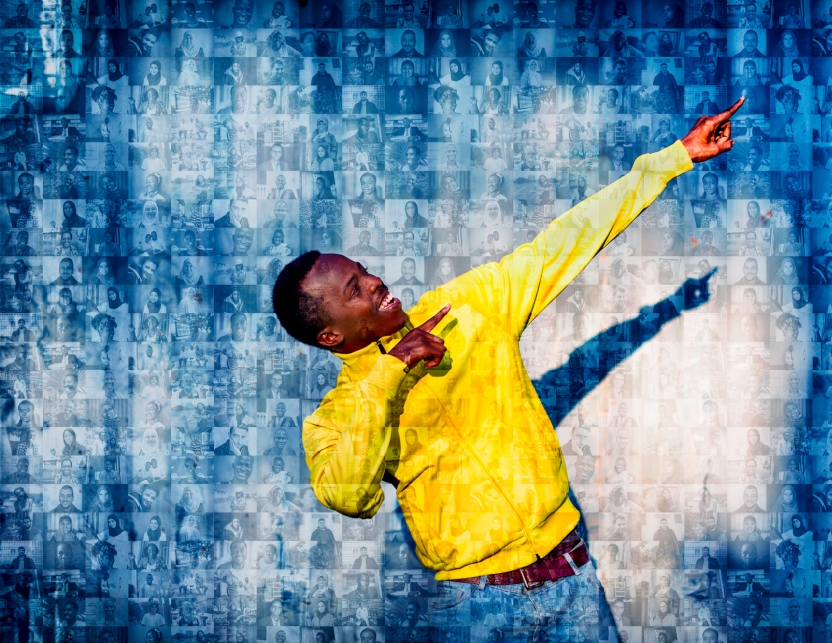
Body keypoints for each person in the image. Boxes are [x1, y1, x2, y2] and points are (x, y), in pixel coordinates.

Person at [270, 98, 743, 635]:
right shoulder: (335, 418)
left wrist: (673, 157)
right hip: (476, 610)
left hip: (570, 580)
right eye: (354, 289)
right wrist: (388, 375)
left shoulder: (465, 308)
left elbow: (561, 243)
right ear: (330, 335)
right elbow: (350, 495)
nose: (375, 282)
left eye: (365, 271)